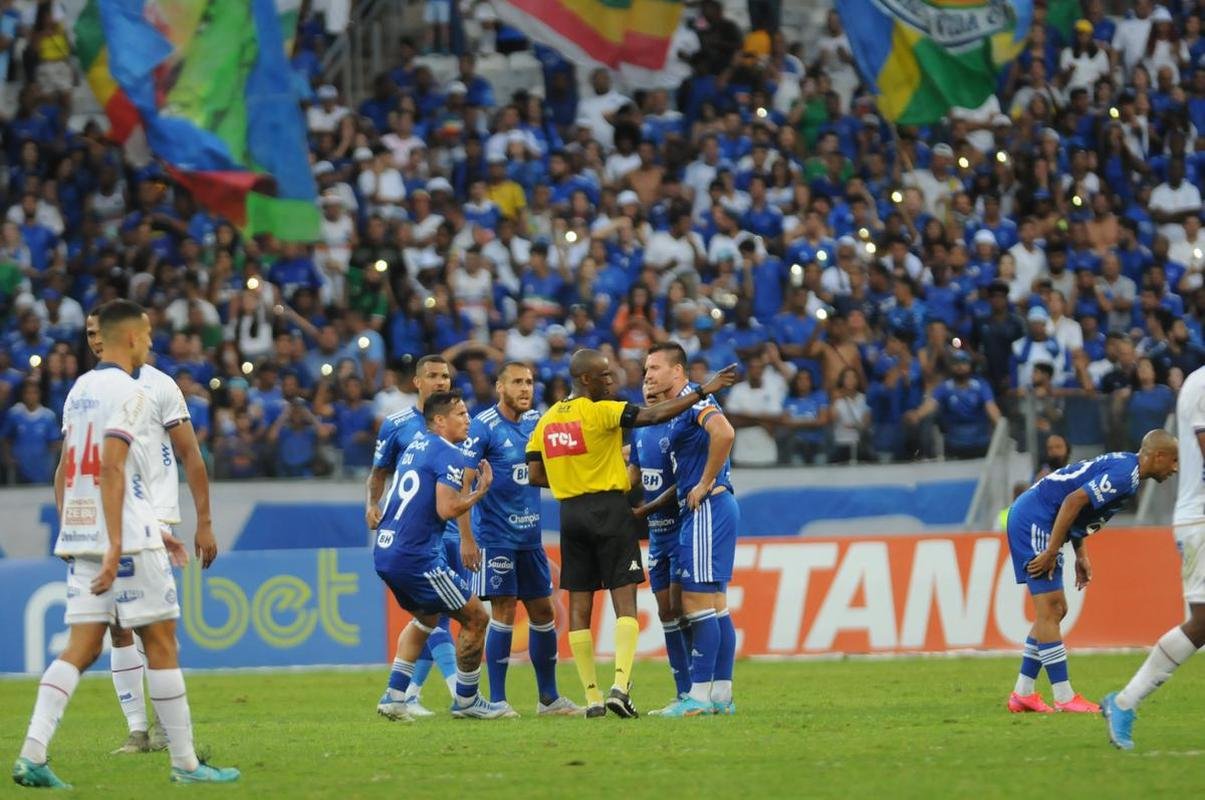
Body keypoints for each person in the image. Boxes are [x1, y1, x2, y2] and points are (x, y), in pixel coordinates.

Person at [12, 301, 238, 788]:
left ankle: (32, 753)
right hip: (127, 539)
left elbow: (72, 468)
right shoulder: (132, 393)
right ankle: (185, 764)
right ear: (133, 338)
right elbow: (112, 468)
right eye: (149, 335)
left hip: (85, 533)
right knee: (161, 641)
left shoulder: (79, 391)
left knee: (81, 646)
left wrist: (83, 531)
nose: (151, 343)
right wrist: (122, 541)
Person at [524, 349, 737, 718]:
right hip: (611, 510)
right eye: (605, 376)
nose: (614, 381)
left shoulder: (546, 421)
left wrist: (573, 479)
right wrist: (704, 388)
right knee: (632, 601)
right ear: (587, 379)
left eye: (653, 369)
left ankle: (594, 697)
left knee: (581, 605)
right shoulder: (605, 412)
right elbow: (650, 419)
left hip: (571, 512)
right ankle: (621, 687)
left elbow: (535, 474)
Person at [84, 307, 218, 755]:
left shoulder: (160, 385)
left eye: (99, 332)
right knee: (117, 626)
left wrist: (204, 522)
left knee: (150, 624)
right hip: (108, 518)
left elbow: (190, 455)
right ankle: (139, 729)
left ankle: (164, 726)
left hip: (154, 517)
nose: (94, 340)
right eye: (89, 334)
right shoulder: (87, 391)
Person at [1004, 430, 1180, 715]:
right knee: (1052, 608)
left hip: (1041, 518)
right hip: (1035, 519)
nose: (1175, 468)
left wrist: (1080, 554)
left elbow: (1080, 509)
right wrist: (1051, 552)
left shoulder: (1127, 469)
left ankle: (1023, 693)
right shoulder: (1124, 475)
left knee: (1055, 611)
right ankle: (1064, 697)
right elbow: (1072, 501)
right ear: (1159, 456)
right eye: (1173, 460)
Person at [373, 390, 511, 721]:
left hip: (386, 551)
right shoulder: (449, 453)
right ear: (439, 420)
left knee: (426, 618)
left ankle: (394, 696)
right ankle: (467, 699)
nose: (468, 420)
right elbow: (446, 509)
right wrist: (480, 491)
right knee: (477, 617)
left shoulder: (415, 446)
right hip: (416, 558)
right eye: (461, 414)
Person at [462, 362, 580, 716]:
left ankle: (549, 699)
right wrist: (467, 539)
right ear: (500, 387)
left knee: (543, 611)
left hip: (530, 537)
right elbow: (463, 483)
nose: (526, 388)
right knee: (504, 609)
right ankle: (498, 700)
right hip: (495, 537)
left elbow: (565, 459)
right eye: (517, 382)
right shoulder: (483, 426)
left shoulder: (537, 423)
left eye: (529, 382)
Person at [1103, 366, 1205, 749]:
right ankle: (1124, 702)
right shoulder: (1202, 385)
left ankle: (1124, 702)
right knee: (1202, 624)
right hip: (1201, 520)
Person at [640, 343, 739, 717]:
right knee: (715, 606)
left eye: (655, 367)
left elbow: (724, 433)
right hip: (712, 507)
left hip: (707, 505)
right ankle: (721, 696)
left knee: (696, 604)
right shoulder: (680, 407)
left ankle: (697, 697)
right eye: (646, 369)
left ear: (677, 371)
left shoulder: (695, 401)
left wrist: (704, 482)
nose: (648, 375)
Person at [367, 354, 460, 716]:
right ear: (417, 382)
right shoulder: (397, 425)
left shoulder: (458, 422)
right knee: (437, 612)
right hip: (416, 537)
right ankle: (460, 693)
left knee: (435, 615)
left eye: (445, 376)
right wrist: (372, 504)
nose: (441, 382)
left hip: (452, 531)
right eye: (433, 376)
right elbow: (379, 472)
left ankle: (408, 694)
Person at [629, 382, 690, 711]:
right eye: (646, 384)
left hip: (680, 530)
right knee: (666, 611)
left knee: (684, 607)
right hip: (656, 536)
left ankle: (701, 686)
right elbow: (633, 474)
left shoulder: (678, 427)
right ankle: (683, 692)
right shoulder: (640, 430)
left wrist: (646, 509)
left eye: (655, 384)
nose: (649, 389)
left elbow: (684, 482)